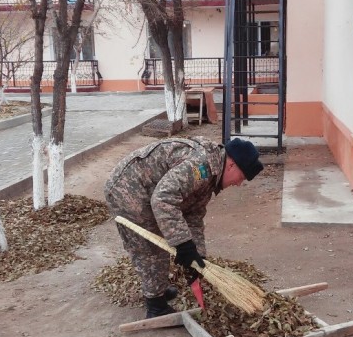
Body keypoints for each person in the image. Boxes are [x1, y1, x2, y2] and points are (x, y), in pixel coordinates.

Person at [104, 136, 264, 318]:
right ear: (231, 165)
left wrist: (197, 255)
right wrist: (182, 243)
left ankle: (158, 288)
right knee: (150, 248)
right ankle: (156, 305)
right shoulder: (200, 166)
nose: (238, 184)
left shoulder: (211, 174)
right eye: (241, 178)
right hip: (128, 189)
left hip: (148, 190)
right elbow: (163, 199)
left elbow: (193, 214)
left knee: (168, 237)